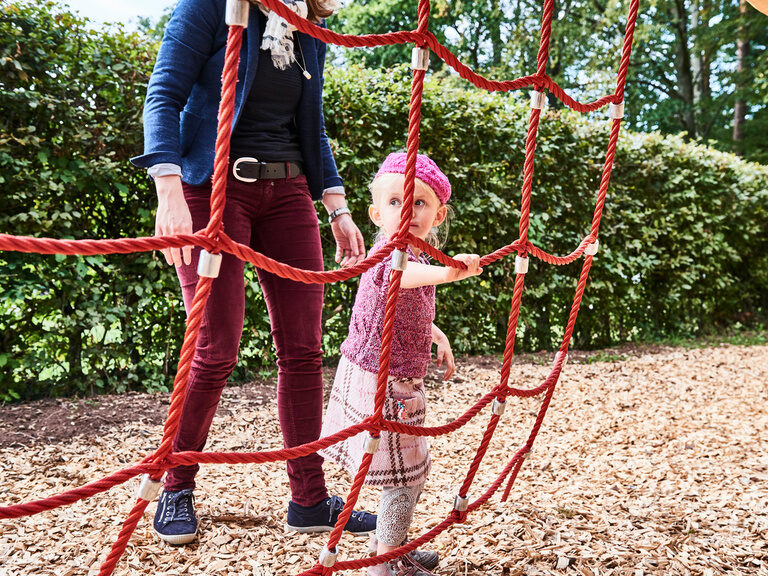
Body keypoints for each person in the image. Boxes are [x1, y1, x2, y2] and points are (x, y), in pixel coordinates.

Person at [131, 0, 376, 545]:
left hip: (287, 192)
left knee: (304, 348)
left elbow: (311, 125)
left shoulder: (307, 25)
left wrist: (336, 205)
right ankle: (176, 486)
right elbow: (163, 96)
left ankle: (309, 499)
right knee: (215, 347)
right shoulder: (210, 6)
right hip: (211, 188)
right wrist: (167, 190)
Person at [320, 153, 483, 576]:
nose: (407, 211)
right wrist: (452, 274)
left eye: (419, 204)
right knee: (405, 478)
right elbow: (397, 278)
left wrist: (435, 332)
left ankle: (389, 549)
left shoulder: (418, 255)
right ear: (375, 213)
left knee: (408, 473)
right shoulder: (388, 252)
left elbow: (404, 302)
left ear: (439, 214)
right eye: (395, 202)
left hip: (389, 376)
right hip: (383, 382)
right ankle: (384, 563)